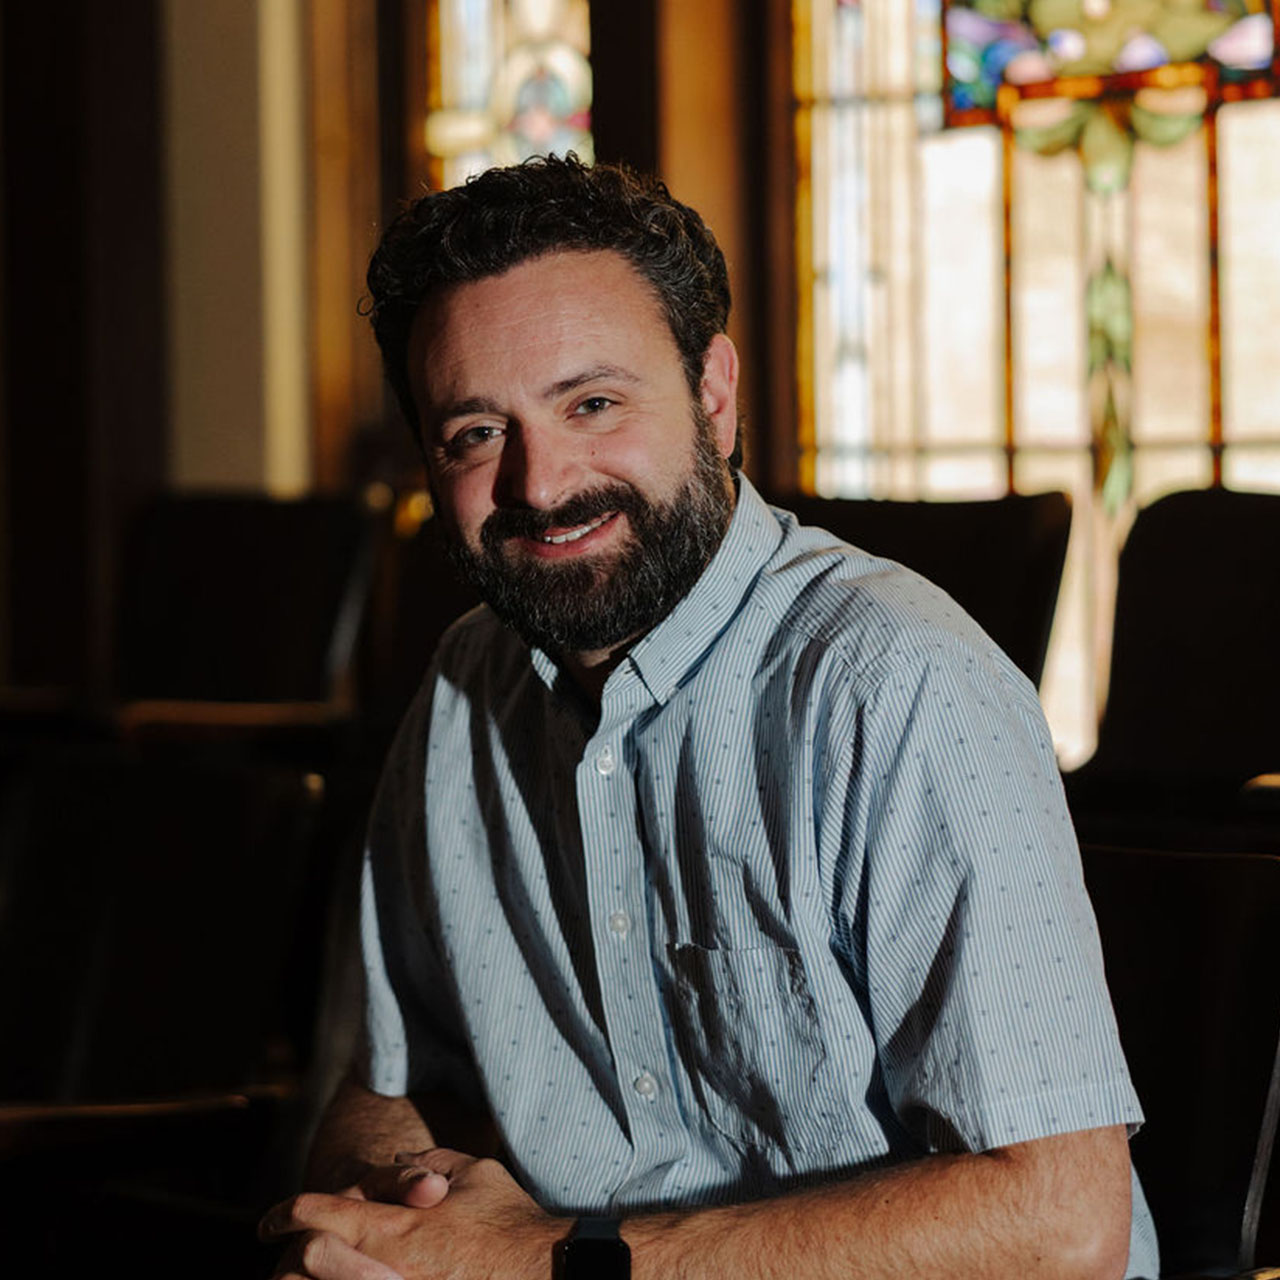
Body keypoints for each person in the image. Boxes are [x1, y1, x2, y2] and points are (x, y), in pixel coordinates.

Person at [261, 154, 1157, 1279]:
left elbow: (1062, 1227)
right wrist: (391, 1216)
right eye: (476, 433)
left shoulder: (897, 682)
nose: (541, 484)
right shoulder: (459, 690)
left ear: (714, 394)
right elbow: (391, 1082)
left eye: (592, 402)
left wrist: (548, 1258)